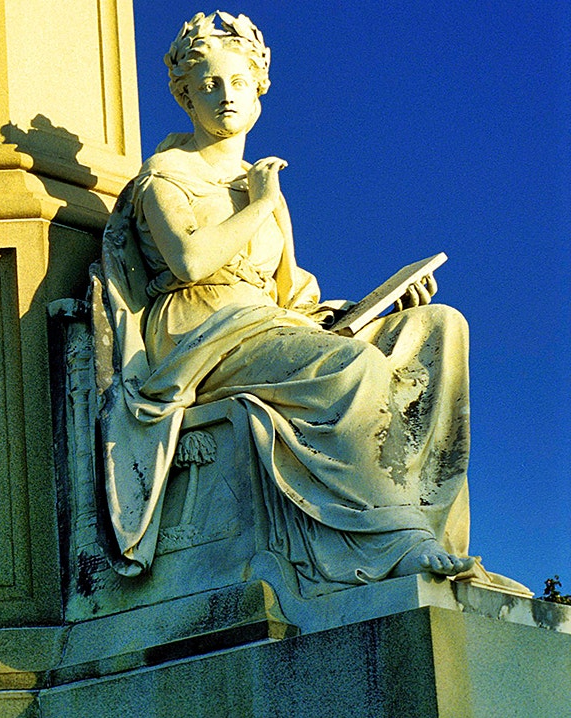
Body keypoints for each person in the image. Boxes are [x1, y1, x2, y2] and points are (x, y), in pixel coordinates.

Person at [96, 12, 494, 597]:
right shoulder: (169, 173)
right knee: (349, 368)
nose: (224, 96)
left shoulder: (263, 187)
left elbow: (296, 302)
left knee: (438, 329)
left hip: (269, 324)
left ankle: (429, 522)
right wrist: (260, 204)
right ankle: (391, 540)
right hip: (202, 330)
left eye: (237, 81)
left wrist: (377, 308)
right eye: (207, 84)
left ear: (259, 90)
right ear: (185, 97)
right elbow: (188, 263)